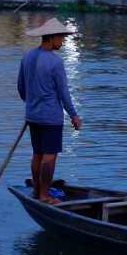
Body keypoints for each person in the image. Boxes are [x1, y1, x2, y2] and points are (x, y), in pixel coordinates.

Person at [17, 18, 81, 203]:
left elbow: (22, 88)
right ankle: (45, 196)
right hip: (51, 117)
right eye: (61, 38)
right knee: (49, 157)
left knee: (37, 153)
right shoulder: (56, 62)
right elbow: (63, 93)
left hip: (33, 115)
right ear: (52, 38)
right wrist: (74, 116)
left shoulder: (27, 56)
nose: (63, 42)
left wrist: (31, 105)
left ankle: (37, 192)